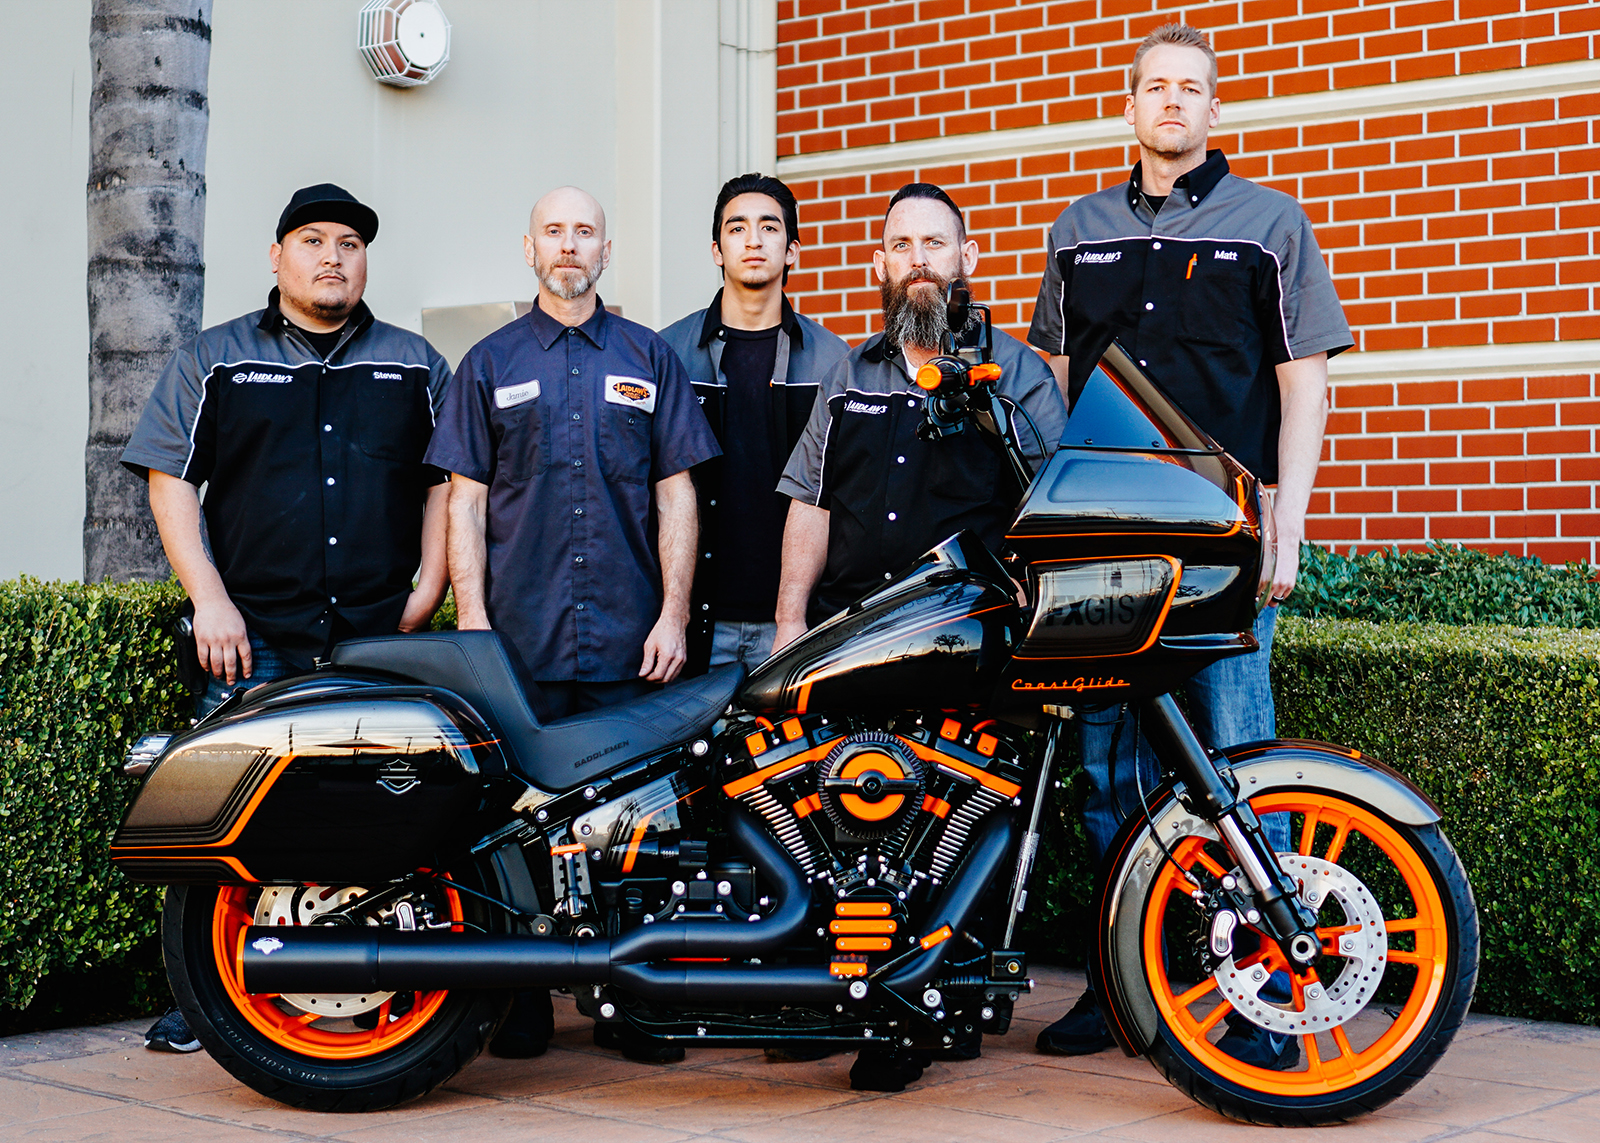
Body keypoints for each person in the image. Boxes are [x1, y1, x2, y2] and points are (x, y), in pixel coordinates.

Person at [1025, 23, 1351, 1071]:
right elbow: (1049, 390)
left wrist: (1286, 527)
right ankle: (1124, 986)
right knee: (1109, 769)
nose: (1173, 103)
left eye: (1192, 90)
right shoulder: (1076, 232)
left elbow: (1306, 383)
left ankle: (1269, 992)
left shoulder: (1270, 225)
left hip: (1224, 547)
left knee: (1242, 764)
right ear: (1129, 107)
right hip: (1106, 550)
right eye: (1155, 88)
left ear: (1215, 111)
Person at [121, 183, 453, 1053]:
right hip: (252, 637)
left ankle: (381, 979)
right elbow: (171, 480)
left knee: (380, 812)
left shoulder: (415, 362)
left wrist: (430, 584)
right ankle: (203, 998)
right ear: (278, 257)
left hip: (380, 638)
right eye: (312, 240)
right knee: (226, 829)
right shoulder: (217, 358)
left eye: (348, 241)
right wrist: (210, 600)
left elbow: (447, 484)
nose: (332, 256)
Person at [773, 183, 1066, 1092]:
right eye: (901, 244)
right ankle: (850, 994)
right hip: (857, 637)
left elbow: (1055, 497)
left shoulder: (1011, 371)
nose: (919, 260)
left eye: (935, 243)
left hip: (965, 632)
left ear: (966, 258)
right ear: (880, 264)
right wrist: (790, 619)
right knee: (854, 822)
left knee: (950, 817)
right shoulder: (847, 376)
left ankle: (933, 1008)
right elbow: (810, 504)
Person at [424, 185, 720, 1063]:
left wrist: (672, 612)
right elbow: (464, 501)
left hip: (633, 638)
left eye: (584, 231)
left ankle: (630, 1005)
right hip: (518, 643)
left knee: (633, 827)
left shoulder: (648, 357)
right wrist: (471, 620)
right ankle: (518, 1003)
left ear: (606, 249)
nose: (569, 244)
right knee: (511, 822)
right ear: (529, 248)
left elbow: (678, 493)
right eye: (554, 230)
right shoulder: (486, 362)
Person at [659, 173, 850, 673]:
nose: (753, 240)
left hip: (795, 623)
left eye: (769, 227)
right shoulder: (666, 356)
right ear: (717, 249)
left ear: (792, 251)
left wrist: (803, 615)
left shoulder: (835, 362)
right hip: (694, 620)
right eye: (737, 227)